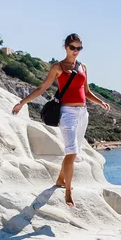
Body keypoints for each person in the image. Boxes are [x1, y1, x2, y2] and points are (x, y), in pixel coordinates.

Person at [12, 34, 110, 207]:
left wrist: (101, 102)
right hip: (67, 113)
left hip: (83, 113)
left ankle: (59, 179)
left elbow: (85, 91)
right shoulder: (57, 67)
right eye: (73, 47)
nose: (76, 51)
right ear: (65, 47)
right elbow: (42, 87)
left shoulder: (83, 67)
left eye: (79, 48)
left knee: (74, 152)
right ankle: (68, 191)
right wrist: (22, 102)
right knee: (71, 152)